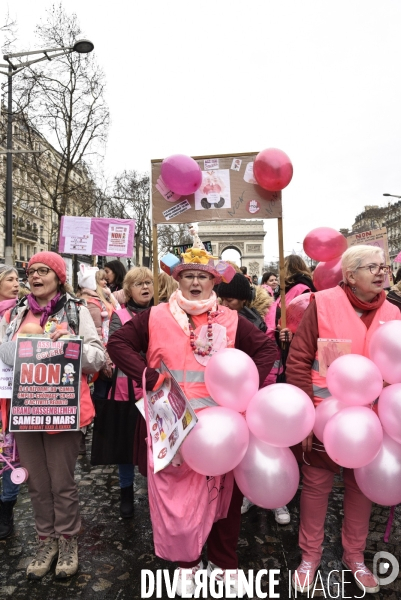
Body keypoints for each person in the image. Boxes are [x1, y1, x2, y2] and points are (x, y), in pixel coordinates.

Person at [108, 237, 277, 598]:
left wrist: (247, 389)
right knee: (176, 497)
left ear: (215, 282)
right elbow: (117, 344)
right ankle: (188, 563)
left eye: (203, 276)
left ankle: (224, 561)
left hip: (220, 426)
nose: (196, 283)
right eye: (188, 277)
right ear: (177, 280)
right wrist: (147, 376)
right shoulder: (155, 316)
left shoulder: (231, 319)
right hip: (171, 423)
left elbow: (267, 349)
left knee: (223, 497)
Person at [286, 245, 401, 595]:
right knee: (317, 487)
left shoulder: (395, 312)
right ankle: (310, 556)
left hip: (374, 421)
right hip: (326, 418)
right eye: (372, 267)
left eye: (384, 267)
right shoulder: (322, 304)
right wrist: (303, 417)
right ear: (351, 276)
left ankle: (355, 556)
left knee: (361, 490)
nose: (382, 273)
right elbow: (299, 360)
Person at [0, 252, 105, 580]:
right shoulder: (17, 311)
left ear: (59, 276)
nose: (35, 276)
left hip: (63, 410)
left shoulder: (76, 310)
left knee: (61, 482)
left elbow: (97, 357)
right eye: (31, 271)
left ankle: (68, 540)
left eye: (44, 270)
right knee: (37, 483)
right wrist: (26, 346)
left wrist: (68, 345)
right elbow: (4, 353)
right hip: (27, 409)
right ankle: (46, 541)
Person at [218, 273, 292, 525]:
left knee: (270, 443)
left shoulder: (262, 321)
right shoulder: (217, 319)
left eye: (230, 300)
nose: (225, 305)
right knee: (242, 446)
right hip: (232, 395)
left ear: (244, 300)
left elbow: (271, 355)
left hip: (263, 390)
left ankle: (277, 495)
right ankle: (247, 491)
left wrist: (285, 340)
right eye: (221, 299)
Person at [108, 267, 154, 518]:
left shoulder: (165, 312)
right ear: (128, 290)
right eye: (139, 284)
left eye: (149, 282)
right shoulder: (120, 315)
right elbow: (118, 349)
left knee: (155, 442)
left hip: (156, 391)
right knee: (126, 447)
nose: (145, 287)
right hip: (127, 392)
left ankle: (155, 491)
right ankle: (126, 491)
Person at [0, 266, 21, 539]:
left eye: (18, 279)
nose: (16, 284)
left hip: (10, 395)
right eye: (9, 279)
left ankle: (6, 508)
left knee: (10, 454)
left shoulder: (21, 313)